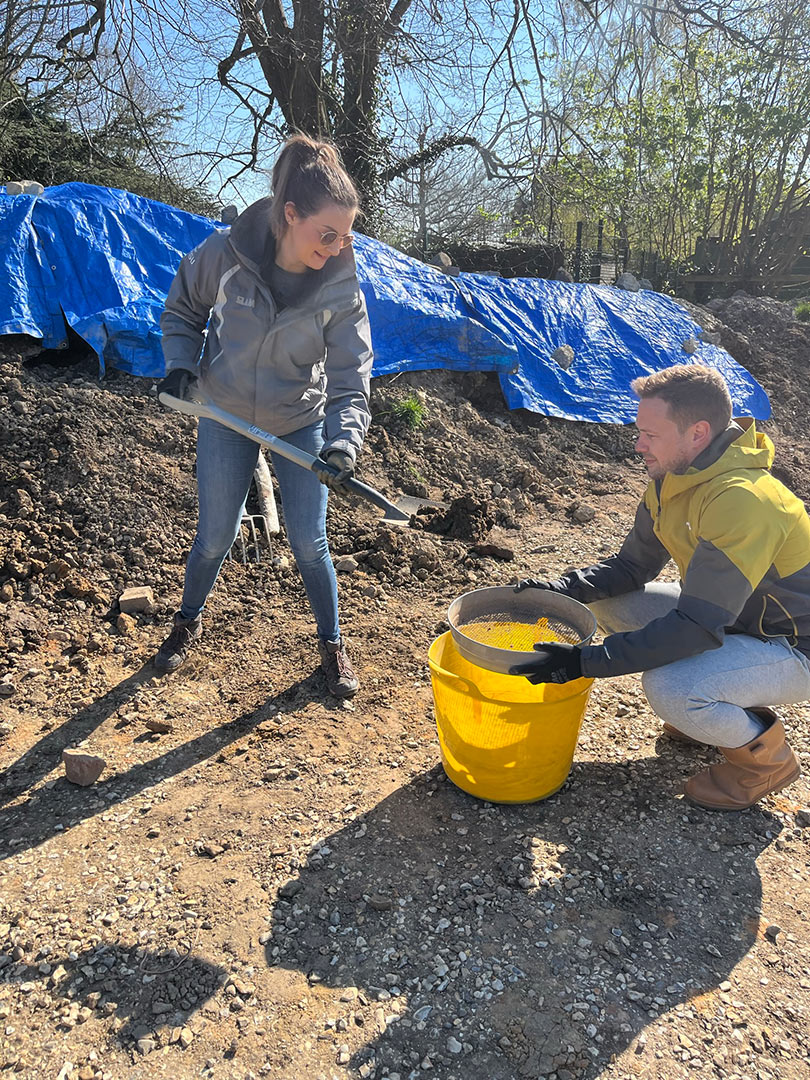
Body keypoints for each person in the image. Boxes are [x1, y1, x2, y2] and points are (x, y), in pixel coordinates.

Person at [511, 364, 810, 810]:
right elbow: (632, 567)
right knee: (610, 603)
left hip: (791, 645)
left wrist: (586, 661)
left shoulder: (744, 499)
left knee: (671, 687)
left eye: (650, 434)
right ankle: (709, 710)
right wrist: (558, 588)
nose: (638, 445)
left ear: (697, 433)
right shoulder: (673, 479)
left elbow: (696, 627)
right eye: (638, 431)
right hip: (737, 620)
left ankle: (765, 762)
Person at [154, 134, 373, 698]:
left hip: (300, 418)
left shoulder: (340, 285)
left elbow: (352, 376)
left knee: (309, 542)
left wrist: (343, 442)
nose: (337, 246)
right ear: (290, 214)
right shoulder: (224, 256)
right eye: (327, 234)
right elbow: (182, 310)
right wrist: (180, 365)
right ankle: (186, 622)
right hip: (225, 415)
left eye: (346, 235)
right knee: (214, 537)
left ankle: (331, 645)